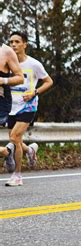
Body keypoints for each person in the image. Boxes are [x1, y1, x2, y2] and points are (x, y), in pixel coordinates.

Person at [5, 31, 53, 187]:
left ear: (25, 44)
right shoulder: (6, 64)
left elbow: (48, 81)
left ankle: (17, 175)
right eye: (11, 42)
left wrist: (35, 92)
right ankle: (30, 150)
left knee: (14, 138)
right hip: (11, 106)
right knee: (16, 139)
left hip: (28, 106)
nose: (13, 45)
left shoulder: (34, 64)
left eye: (17, 42)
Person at [0, 43, 24, 172]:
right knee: (14, 139)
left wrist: (3, 81)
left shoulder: (6, 52)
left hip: (2, 103)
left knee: (14, 137)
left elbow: (20, 78)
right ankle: (6, 151)